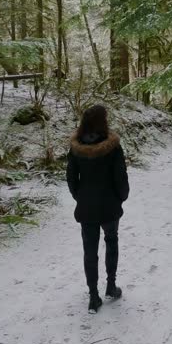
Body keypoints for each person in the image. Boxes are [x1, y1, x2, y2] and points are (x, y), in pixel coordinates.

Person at [66, 105, 130, 314]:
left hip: (87, 207)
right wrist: (121, 197)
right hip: (109, 204)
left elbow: (71, 178)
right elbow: (120, 177)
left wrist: (80, 197)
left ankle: (93, 296)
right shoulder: (112, 146)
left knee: (89, 250)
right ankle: (111, 286)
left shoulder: (76, 148)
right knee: (111, 240)